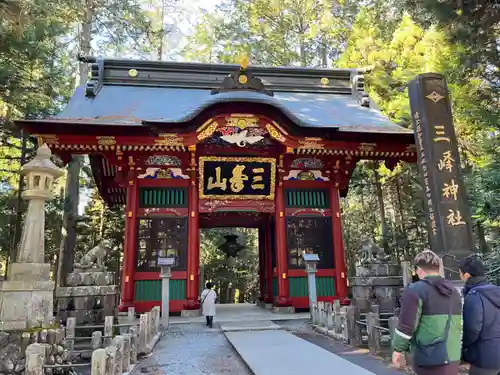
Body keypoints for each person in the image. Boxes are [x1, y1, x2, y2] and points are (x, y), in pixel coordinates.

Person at [392, 250, 462, 375]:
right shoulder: (454, 292)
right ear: (438, 268)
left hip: (429, 358)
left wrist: (398, 350)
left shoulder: (415, 291)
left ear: (419, 270)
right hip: (453, 357)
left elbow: (407, 325)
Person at [460, 255, 500, 375]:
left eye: (460, 274)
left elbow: (472, 329)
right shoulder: (496, 291)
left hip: (484, 357)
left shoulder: (474, 296)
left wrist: (464, 349)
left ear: (466, 275)